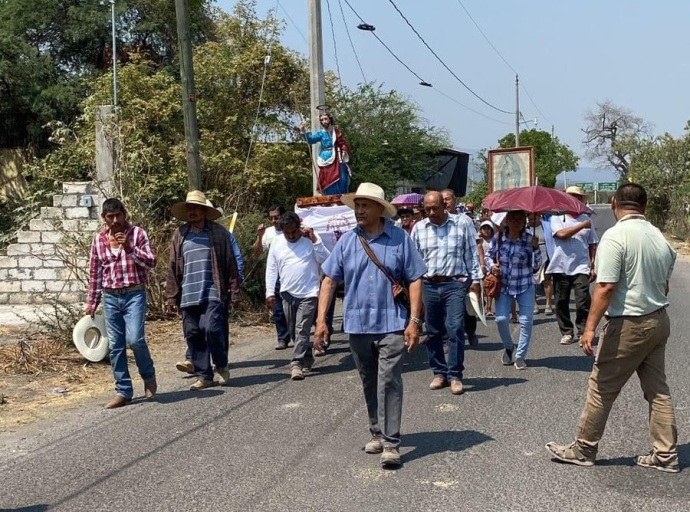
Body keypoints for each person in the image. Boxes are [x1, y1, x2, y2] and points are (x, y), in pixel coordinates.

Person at [546, 183, 680, 473]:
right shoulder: (660, 239)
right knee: (658, 391)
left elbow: (606, 287)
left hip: (629, 323)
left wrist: (589, 328)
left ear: (616, 202)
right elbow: (665, 285)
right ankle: (666, 454)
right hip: (658, 320)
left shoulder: (615, 237)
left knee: (601, 387)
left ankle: (583, 448)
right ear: (643, 206)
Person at [314, 182, 425, 468]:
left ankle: (391, 442)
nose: (359, 210)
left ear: (380, 209)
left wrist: (414, 321)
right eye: (357, 206)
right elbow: (329, 280)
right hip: (358, 324)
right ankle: (376, 431)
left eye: (365, 205)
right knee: (369, 381)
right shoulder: (348, 241)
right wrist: (321, 321)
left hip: (392, 324)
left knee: (389, 380)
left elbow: (414, 279)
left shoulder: (400, 239)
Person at [86, 198, 157, 409]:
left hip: (134, 294)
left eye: (119, 215)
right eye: (110, 217)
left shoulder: (137, 234)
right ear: (104, 218)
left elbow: (151, 262)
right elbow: (95, 272)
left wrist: (129, 247)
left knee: (135, 339)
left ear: (124, 214)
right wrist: (92, 301)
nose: (115, 220)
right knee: (116, 345)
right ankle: (123, 390)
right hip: (110, 296)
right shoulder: (99, 240)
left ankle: (148, 376)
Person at [166, 191, 241, 390]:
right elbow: (173, 267)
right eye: (189, 208)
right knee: (192, 333)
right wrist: (171, 298)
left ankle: (221, 364)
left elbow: (230, 263)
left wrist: (234, 291)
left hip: (213, 291)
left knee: (212, 328)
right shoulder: (180, 235)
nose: (192, 211)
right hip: (188, 294)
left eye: (196, 208)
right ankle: (204, 375)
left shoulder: (218, 233)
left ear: (205, 211)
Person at [411, 191, 482, 394]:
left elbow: (471, 253)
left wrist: (475, 280)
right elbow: (414, 262)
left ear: (445, 206)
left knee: (455, 327)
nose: (432, 212)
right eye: (428, 209)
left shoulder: (462, 224)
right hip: (429, 285)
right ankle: (439, 372)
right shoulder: (418, 228)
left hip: (455, 284)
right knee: (433, 331)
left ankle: (455, 375)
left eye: (435, 208)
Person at [266, 212, 330, 381]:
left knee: (302, 328)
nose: (291, 236)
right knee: (293, 328)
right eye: (287, 233)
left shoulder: (311, 240)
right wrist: (270, 292)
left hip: (309, 293)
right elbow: (271, 268)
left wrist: (315, 240)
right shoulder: (277, 243)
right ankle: (307, 357)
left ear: (299, 228)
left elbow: (327, 261)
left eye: (294, 232)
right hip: (287, 292)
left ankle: (296, 363)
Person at [487, 210, 542, 369]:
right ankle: (509, 347)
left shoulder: (529, 239)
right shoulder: (498, 238)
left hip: (524, 284)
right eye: (513, 218)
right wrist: (493, 266)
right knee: (501, 319)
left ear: (525, 221)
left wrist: (536, 248)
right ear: (507, 220)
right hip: (503, 286)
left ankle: (520, 356)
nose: (516, 222)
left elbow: (536, 266)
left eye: (520, 219)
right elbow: (489, 257)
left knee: (525, 321)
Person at [547, 186, 598, 345]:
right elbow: (561, 235)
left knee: (583, 300)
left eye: (578, 197)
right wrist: (582, 226)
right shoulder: (557, 218)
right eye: (572, 197)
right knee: (561, 301)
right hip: (560, 266)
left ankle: (583, 330)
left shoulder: (586, 218)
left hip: (581, 266)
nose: (576, 200)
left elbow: (593, 243)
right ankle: (567, 331)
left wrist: (593, 264)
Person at [441, 188, 481, 347]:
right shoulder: (432, 222)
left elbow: (473, 248)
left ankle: (470, 331)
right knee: (444, 310)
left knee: (466, 309)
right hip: (442, 275)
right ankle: (446, 340)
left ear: (455, 202)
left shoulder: (465, 221)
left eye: (447, 199)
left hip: (462, 274)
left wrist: (476, 276)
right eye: (441, 199)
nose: (444, 202)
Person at [253, 205, 291, 350]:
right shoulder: (268, 233)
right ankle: (282, 338)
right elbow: (256, 253)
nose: (274, 221)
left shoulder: (292, 231)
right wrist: (260, 236)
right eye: (271, 218)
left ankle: (296, 333)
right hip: (275, 276)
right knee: (278, 310)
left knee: (293, 308)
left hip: (290, 275)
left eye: (277, 217)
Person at [299, 112, 351, 194]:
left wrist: (344, 150)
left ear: (330, 119)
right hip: (325, 158)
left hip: (337, 157)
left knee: (342, 176)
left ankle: (341, 195)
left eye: (325, 119)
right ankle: (330, 196)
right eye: (322, 120)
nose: (324, 121)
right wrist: (303, 130)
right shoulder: (321, 133)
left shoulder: (336, 132)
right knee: (327, 178)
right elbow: (311, 139)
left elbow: (343, 143)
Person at [477, 220, 495, 316]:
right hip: (480, 266)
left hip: (491, 266)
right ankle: (481, 307)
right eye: (484, 228)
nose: (486, 230)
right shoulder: (479, 240)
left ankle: (489, 308)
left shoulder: (494, 240)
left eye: (488, 228)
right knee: (480, 288)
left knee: (490, 287)